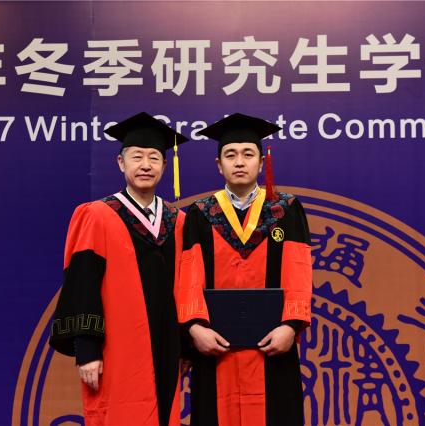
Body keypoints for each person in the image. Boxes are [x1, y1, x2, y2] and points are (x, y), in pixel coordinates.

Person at [49, 112, 189, 426]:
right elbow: (82, 284)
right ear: (120, 163)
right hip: (116, 348)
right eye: (137, 156)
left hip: (167, 347)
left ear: (164, 166)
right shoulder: (98, 215)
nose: (145, 165)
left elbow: (188, 287)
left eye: (154, 158)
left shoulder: (178, 222)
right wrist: (87, 349)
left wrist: (186, 347)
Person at [176, 113, 312, 426]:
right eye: (230, 155)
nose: (239, 162)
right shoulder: (201, 214)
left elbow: (299, 269)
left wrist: (290, 326)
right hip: (215, 346)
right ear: (219, 165)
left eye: (248, 154)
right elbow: (189, 275)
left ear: (261, 163)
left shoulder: (285, 209)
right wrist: (195, 328)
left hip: (273, 343)